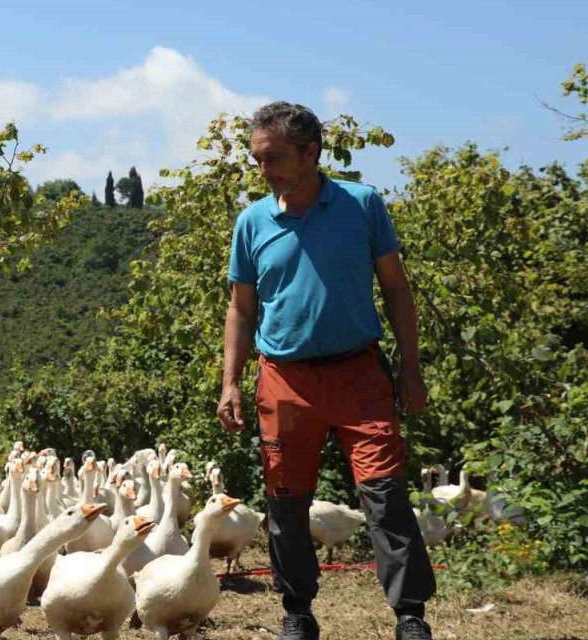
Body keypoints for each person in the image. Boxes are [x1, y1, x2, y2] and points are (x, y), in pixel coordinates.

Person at [217, 101, 435, 640]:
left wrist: (411, 368)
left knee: (385, 495)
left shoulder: (362, 205)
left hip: (360, 377)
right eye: (258, 160)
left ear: (311, 152)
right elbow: (241, 309)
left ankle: (410, 616)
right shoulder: (253, 222)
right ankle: (298, 613)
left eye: (274, 159)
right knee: (286, 503)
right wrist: (230, 382)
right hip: (283, 381)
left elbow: (396, 288)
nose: (264, 171)